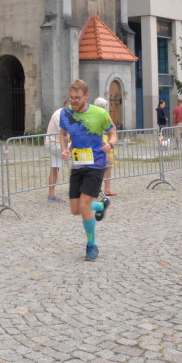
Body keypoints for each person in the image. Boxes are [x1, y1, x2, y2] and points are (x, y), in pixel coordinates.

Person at [60, 79, 116, 261]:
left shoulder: (100, 113)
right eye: (71, 97)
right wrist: (64, 148)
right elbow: (63, 134)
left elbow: (113, 133)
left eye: (77, 98)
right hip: (77, 164)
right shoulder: (66, 113)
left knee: (84, 205)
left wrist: (111, 145)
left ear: (86, 96)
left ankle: (91, 245)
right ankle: (100, 206)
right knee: (75, 210)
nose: (73, 101)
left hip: (96, 163)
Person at [45, 98, 71, 202]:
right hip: (54, 144)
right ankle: (76, 189)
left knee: (54, 168)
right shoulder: (59, 114)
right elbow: (63, 131)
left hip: (58, 144)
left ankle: (51, 195)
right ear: (65, 106)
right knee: (79, 149)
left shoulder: (69, 115)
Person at [94, 97, 117, 197]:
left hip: (94, 141)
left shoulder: (92, 114)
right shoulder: (104, 115)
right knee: (107, 167)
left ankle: (95, 188)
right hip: (105, 142)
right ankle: (106, 189)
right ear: (104, 106)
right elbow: (112, 128)